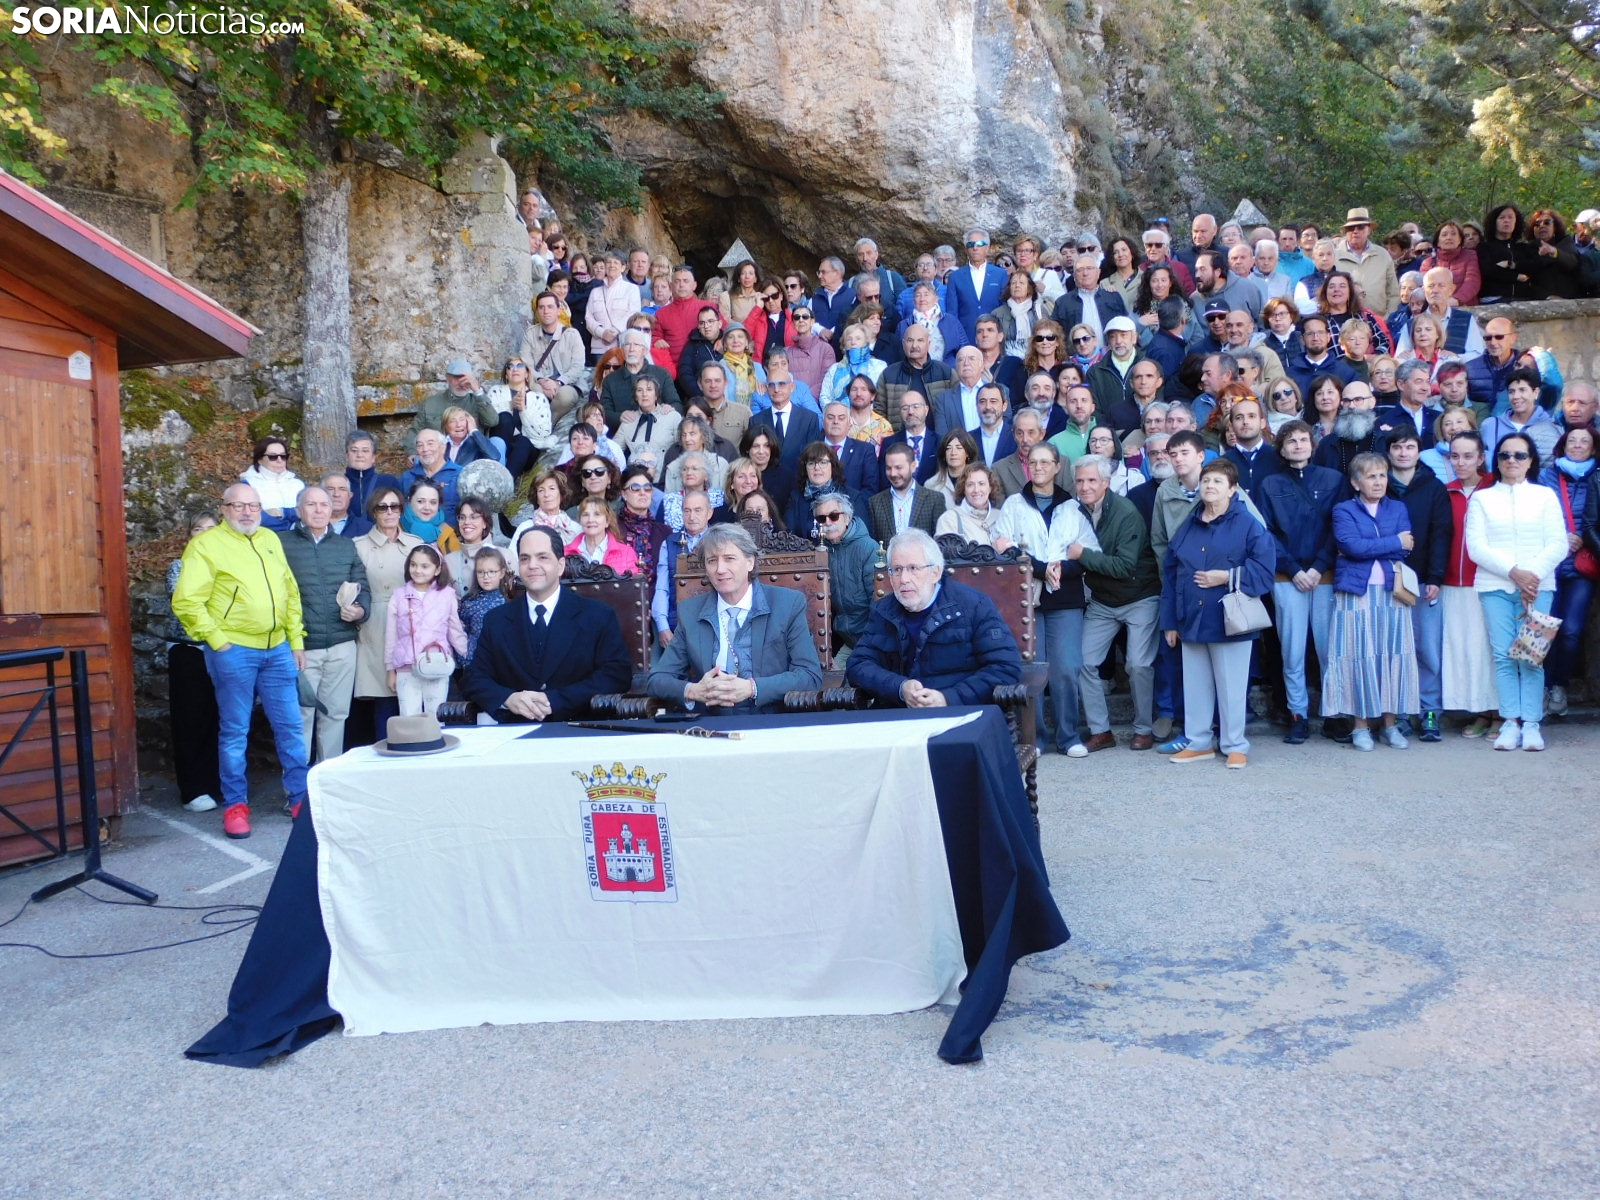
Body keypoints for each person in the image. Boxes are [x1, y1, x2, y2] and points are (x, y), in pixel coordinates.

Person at [170, 483, 308, 839]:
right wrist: (218, 641)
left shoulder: (269, 539)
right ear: (224, 509)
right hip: (235, 650)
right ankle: (235, 806)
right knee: (235, 731)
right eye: (239, 506)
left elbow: (290, 592)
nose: (247, 512)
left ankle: (300, 799)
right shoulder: (206, 545)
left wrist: (295, 640)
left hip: (278, 649)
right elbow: (187, 600)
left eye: (254, 506)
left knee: (291, 728)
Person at [1158, 458, 1276, 768]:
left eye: (1218, 481)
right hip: (1191, 618)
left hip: (1229, 620)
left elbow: (1265, 572)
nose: (1210, 486)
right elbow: (1171, 574)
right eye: (1206, 481)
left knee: (1232, 688)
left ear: (1232, 489)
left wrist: (1226, 577)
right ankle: (1199, 743)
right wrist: (1170, 622)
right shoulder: (1189, 524)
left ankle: (1235, 744)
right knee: (1195, 686)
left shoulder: (1248, 523)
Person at [465, 524, 634, 722]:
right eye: (525, 558)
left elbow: (616, 675)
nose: (532, 565)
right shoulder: (496, 620)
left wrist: (555, 700)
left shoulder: (598, 616)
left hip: (580, 728)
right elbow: (475, 678)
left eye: (542, 557)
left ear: (561, 565)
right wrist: (507, 699)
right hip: (516, 732)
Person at [647, 523, 823, 711]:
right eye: (712, 561)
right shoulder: (691, 612)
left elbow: (810, 676)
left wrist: (752, 688)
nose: (720, 569)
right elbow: (657, 680)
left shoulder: (787, 604)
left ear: (750, 562)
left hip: (770, 719)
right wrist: (693, 690)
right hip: (711, 721)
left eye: (729, 558)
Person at [1465, 432, 1569, 749]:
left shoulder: (1545, 496)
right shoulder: (1482, 498)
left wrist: (1531, 577)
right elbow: (1476, 546)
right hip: (1494, 585)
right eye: (1505, 455)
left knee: (1532, 657)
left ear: (1531, 460)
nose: (1512, 460)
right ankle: (1510, 722)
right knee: (1503, 656)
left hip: (1538, 587)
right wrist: (1514, 572)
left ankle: (1532, 724)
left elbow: (1558, 543)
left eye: (1519, 455)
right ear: (1496, 461)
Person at [997, 442, 1098, 755]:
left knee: (1066, 667)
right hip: (1025, 597)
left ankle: (1069, 736)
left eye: (1045, 462)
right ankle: (1034, 738)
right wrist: (1043, 569)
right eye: (1033, 462)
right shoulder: (1014, 505)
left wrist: (1062, 569)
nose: (1038, 467)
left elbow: (1089, 553)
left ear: (1057, 467)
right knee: (1032, 668)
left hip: (1065, 597)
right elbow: (1003, 549)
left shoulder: (1073, 507)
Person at [847, 529, 1023, 706]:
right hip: (898, 714)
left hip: (959, 714)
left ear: (935, 573)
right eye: (897, 569)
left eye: (913, 568)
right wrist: (900, 688)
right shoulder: (883, 611)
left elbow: (1004, 667)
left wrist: (948, 698)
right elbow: (858, 665)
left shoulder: (974, 606)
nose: (904, 579)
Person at [1255, 420, 1343, 744]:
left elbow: (1339, 526)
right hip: (1286, 577)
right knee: (1292, 651)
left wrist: (1319, 566)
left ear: (1312, 444)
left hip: (1325, 576)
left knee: (1329, 650)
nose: (1298, 445)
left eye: (1303, 439)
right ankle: (1298, 715)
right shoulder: (1270, 484)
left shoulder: (1333, 479)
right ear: (1281, 447)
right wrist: (1293, 569)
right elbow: (1265, 532)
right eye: (1290, 440)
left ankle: (1334, 714)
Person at [1325, 453, 1419, 751]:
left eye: (1382, 475)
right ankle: (1360, 726)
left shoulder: (1398, 508)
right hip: (1356, 592)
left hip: (1393, 591)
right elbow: (1351, 546)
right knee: (1359, 655)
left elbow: (1406, 549)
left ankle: (1390, 725)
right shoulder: (1343, 510)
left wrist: (1378, 546)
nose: (1378, 482)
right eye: (1371, 476)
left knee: (1390, 654)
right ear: (1356, 483)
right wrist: (1393, 541)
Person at [1069, 454, 1163, 750]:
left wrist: (1082, 555)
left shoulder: (1125, 512)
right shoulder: (1073, 511)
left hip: (1140, 596)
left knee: (1138, 664)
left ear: (1106, 483)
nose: (1085, 486)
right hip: (1103, 600)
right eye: (1080, 481)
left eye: (1092, 480)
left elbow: (1124, 566)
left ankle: (1144, 729)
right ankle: (1101, 731)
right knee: (1083, 662)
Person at [280, 486, 370, 764]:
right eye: (311, 504)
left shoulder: (345, 545)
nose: (318, 510)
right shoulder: (280, 544)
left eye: (324, 505)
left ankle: (327, 778)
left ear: (332, 510)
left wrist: (360, 611)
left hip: (342, 645)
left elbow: (363, 585)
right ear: (298, 510)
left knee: (336, 715)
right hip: (302, 648)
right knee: (300, 716)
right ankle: (297, 784)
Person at [1384, 429, 1451, 740]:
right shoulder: (1380, 484)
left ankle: (1429, 711)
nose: (1403, 453)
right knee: (1395, 649)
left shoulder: (1434, 487)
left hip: (1424, 578)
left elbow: (1442, 533)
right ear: (1389, 452)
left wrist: (1435, 576)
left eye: (1409, 447)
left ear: (1418, 451)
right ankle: (1400, 712)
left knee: (1427, 649)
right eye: (1397, 447)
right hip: (1387, 579)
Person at [351, 485, 424, 747]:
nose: (389, 512)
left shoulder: (415, 544)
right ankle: (386, 754)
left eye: (395, 506)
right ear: (374, 512)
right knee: (384, 697)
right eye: (383, 507)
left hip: (413, 625)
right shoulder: (359, 546)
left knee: (414, 696)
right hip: (376, 624)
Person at [1441, 432, 1500, 736]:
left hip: (1488, 580)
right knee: (1465, 650)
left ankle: (1500, 713)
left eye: (1468, 456)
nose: (1461, 462)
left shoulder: (1495, 489)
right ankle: (1479, 710)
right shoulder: (1445, 492)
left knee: (1491, 649)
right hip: (1453, 581)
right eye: (1455, 456)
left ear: (1481, 458)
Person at [165, 511, 223, 813]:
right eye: (198, 529)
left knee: (219, 718)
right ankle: (192, 789)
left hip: (222, 650)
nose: (204, 533)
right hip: (188, 651)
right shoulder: (179, 567)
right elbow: (189, 603)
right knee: (190, 720)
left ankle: (215, 783)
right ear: (189, 535)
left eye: (211, 528)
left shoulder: (228, 566)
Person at [1536, 426, 1596, 716]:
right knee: (1543, 628)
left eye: (1584, 441)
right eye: (1572, 440)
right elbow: (1536, 515)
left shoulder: (1597, 477)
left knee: (1571, 630)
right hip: (1549, 563)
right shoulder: (1547, 476)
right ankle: (1543, 687)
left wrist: (1583, 537)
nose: (1578, 445)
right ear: (1563, 444)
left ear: (1593, 448)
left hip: (1582, 565)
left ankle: (1559, 685)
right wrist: (1562, 537)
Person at [384, 544, 467, 717]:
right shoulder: (398, 596)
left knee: (436, 717)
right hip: (406, 668)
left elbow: (455, 631)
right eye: (413, 565)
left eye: (424, 566)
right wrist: (390, 670)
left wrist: (469, 656)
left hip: (437, 665)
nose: (417, 570)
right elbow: (391, 636)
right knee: (409, 718)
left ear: (437, 569)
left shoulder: (447, 594)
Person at [811, 492, 876, 668]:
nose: (828, 523)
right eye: (821, 518)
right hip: (848, 640)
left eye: (833, 516)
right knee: (831, 679)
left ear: (847, 518)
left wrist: (870, 645)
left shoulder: (868, 549)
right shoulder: (822, 552)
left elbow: (878, 604)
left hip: (871, 641)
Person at [519, 291, 587, 425]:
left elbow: (578, 367)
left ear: (559, 310)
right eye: (541, 307)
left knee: (565, 396)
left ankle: (547, 423)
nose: (546, 311)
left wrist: (558, 383)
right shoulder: (530, 334)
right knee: (535, 393)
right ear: (537, 312)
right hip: (539, 382)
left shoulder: (572, 335)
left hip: (566, 383)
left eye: (550, 307)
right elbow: (526, 364)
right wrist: (541, 380)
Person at [867, 442, 947, 544]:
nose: (893, 473)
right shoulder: (875, 502)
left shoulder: (934, 499)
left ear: (913, 466)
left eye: (898, 467)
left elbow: (941, 542)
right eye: (888, 468)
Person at [410, 359, 499, 441]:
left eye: (466, 379)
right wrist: (413, 451)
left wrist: (477, 391)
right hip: (439, 451)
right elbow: (414, 433)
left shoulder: (479, 402)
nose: (462, 383)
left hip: (471, 451)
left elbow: (492, 421)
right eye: (457, 378)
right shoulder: (431, 403)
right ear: (447, 378)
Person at [459, 547, 513, 670]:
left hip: (502, 663)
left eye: (492, 572)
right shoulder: (469, 602)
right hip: (473, 662)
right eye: (481, 572)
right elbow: (461, 631)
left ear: (502, 573)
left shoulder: (509, 601)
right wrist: (464, 657)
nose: (486, 577)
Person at [239, 436, 303, 533]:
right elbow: (252, 517)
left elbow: (311, 511)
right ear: (260, 459)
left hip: (300, 537)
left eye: (283, 456)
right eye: (273, 457)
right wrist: (295, 516)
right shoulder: (248, 485)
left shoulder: (299, 484)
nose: (279, 460)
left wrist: (283, 513)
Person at [399, 429, 462, 528]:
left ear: (443, 447)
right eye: (420, 445)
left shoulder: (460, 475)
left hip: (451, 535)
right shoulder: (407, 477)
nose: (425, 449)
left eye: (430, 444)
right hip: (413, 535)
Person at [934, 461, 1008, 545]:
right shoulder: (950, 519)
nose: (976, 490)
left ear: (990, 487)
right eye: (970, 485)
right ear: (963, 489)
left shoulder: (1001, 518)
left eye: (981, 484)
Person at [566, 495, 640, 574]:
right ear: (580, 520)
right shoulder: (565, 553)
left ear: (607, 521)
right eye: (585, 515)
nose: (590, 520)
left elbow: (633, 581)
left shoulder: (627, 553)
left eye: (597, 514)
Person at [343, 430, 401, 518]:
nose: (359, 455)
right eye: (354, 451)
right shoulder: (338, 484)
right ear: (347, 456)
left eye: (365, 451)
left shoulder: (389, 482)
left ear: (373, 457)